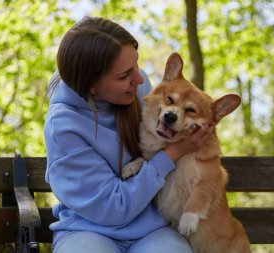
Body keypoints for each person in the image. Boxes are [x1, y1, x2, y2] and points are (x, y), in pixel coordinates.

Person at [44, 16, 213, 253]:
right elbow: (113, 207)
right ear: (92, 86)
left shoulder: (137, 88)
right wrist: (174, 151)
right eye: (124, 75)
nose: (140, 78)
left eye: (136, 64)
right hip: (88, 229)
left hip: (154, 228)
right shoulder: (63, 125)